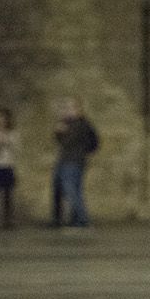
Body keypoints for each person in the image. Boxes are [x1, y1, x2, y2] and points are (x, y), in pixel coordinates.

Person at [51, 98, 98, 228]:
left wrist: (62, 131)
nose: (66, 111)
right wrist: (59, 133)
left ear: (79, 110)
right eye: (65, 108)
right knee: (63, 189)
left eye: (70, 108)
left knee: (70, 190)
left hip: (72, 161)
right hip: (66, 160)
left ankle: (83, 219)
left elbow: (70, 142)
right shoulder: (70, 124)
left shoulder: (80, 124)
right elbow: (62, 142)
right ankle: (70, 220)